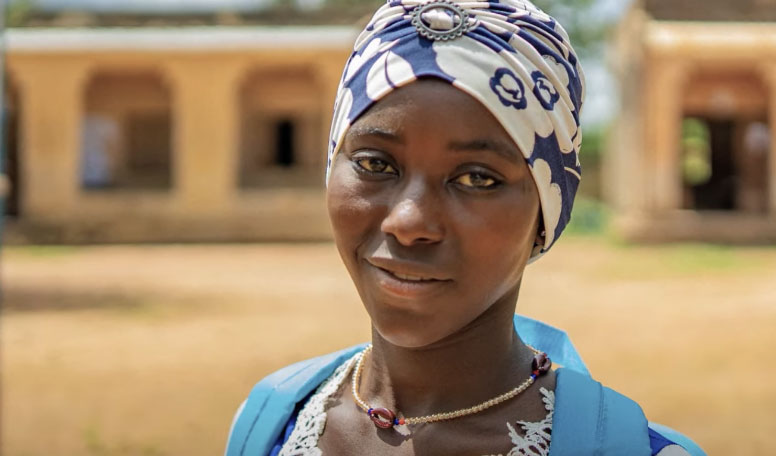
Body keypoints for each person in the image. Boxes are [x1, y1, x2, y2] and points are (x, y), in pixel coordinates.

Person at [225, 1, 706, 454]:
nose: (409, 222)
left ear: (547, 211)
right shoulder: (270, 422)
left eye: (477, 177)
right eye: (375, 163)